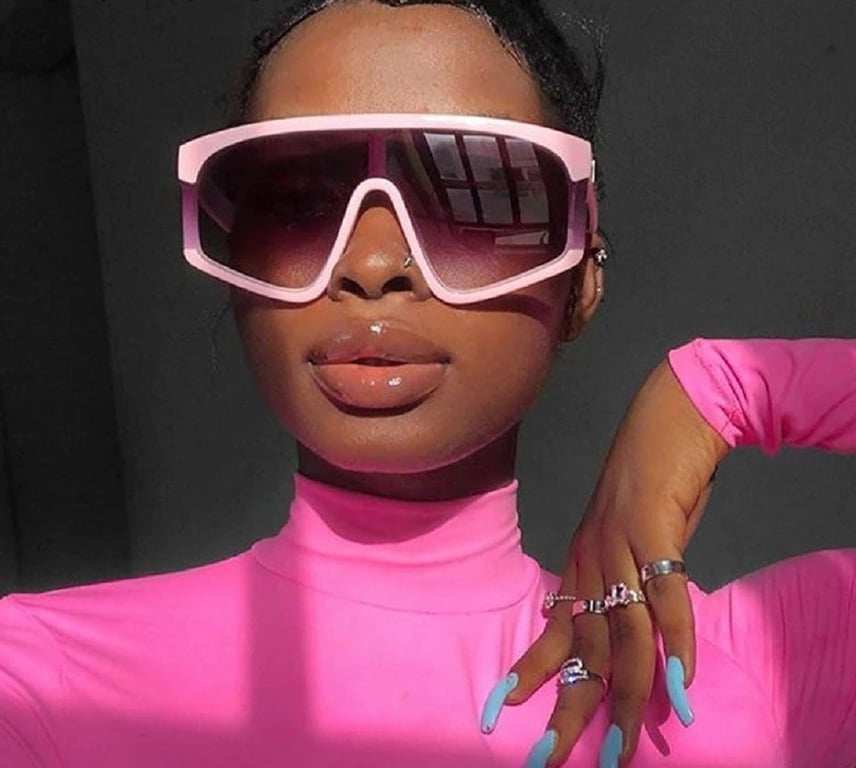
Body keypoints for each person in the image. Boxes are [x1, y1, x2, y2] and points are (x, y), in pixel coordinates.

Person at [0, 2, 853, 767]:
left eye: (474, 198)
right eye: (296, 202)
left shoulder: (750, 668)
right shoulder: (40, 681)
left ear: (582, 277)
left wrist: (717, 390)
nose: (372, 264)